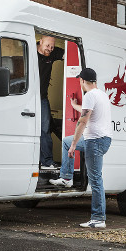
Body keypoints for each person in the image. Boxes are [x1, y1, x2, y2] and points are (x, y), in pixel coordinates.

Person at [49, 67, 112, 228]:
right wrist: (74, 105)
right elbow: (87, 112)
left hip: (94, 141)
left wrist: (75, 145)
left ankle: (98, 218)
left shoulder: (90, 95)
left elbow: (83, 121)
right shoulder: (102, 94)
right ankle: (66, 178)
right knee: (65, 141)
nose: (80, 83)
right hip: (103, 139)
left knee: (96, 180)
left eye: (80, 80)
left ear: (83, 81)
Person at [37, 36, 64, 170]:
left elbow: (68, 54)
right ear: (40, 42)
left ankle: (46, 162)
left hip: (42, 98)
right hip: (27, 96)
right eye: (47, 46)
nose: (50, 49)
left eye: (52, 47)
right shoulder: (29, 49)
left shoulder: (52, 53)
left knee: (45, 129)